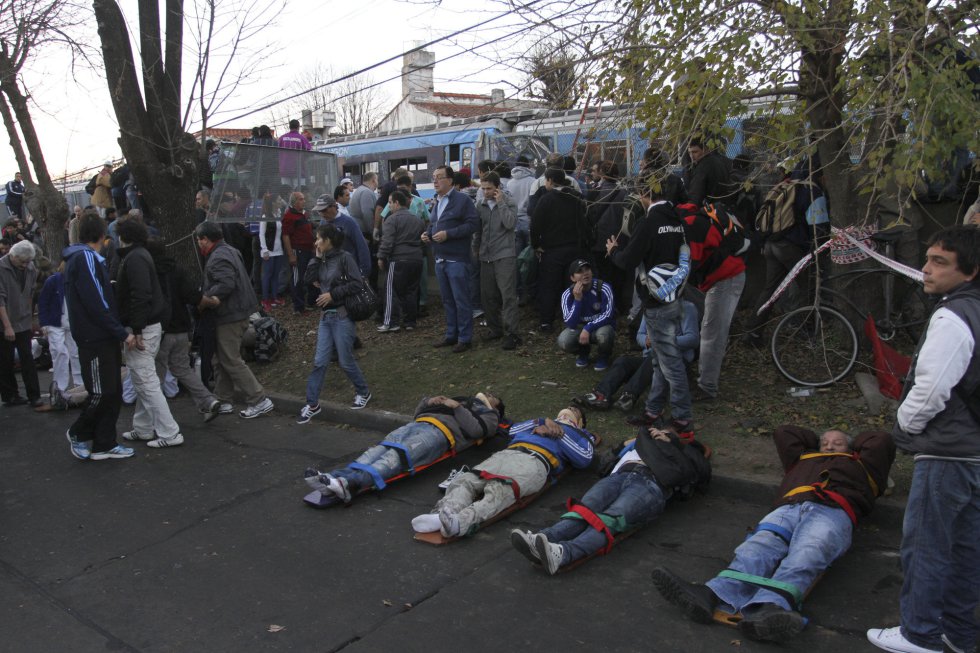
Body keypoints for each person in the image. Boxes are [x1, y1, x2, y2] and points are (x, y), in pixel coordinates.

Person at [653, 425, 895, 643]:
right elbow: (784, 432)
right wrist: (816, 446)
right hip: (789, 506)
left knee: (809, 551)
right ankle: (711, 593)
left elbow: (881, 439)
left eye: (837, 442)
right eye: (824, 442)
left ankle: (771, 608)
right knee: (758, 546)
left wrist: (849, 449)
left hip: (833, 509)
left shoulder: (863, 466)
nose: (829, 445)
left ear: (853, 448)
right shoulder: (803, 459)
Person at [867, 225, 980, 653]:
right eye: (928, 258)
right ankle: (958, 632)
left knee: (927, 546)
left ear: (970, 271)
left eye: (940, 262)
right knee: (967, 549)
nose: (926, 269)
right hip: (974, 452)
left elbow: (930, 389)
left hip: (948, 452)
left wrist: (906, 424)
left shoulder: (953, 316)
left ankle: (920, 633)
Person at [511, 424, 711, 574]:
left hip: (649, 484)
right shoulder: (635, 446)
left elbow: (701, 473)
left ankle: (564, 554)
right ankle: (544, 539)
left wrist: (673, 443)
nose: (657, 434)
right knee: (583, 510)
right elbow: (604, 464)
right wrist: (624, 445)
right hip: (618, 476)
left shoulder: (682, 453)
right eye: (658, 431)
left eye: (666, 433)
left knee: (611, 519)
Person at [412, 405, 597, 538]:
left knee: (499, 491)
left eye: (574, 411)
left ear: (580, 423)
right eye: (567, 408)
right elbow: (513, 430)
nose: (568, 411)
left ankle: (459, 523)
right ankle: (443, 513)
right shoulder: (540, 422)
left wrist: (559, 433)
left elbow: (584, 459)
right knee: (467, 480)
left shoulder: (581, 436)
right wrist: (541, 422)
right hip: (506, 454)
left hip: (535, 461)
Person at [606, 176, 694, 439]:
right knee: (658, 360)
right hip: (674, 295)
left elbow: (628, 260)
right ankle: (653, 410)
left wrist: (613, 251)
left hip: (656, 302)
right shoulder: (677, 220)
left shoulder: (649, 221)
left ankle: (681, 418)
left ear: (645, 193)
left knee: (670, 363)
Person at [304, 392, 504, 503]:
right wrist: (428, 401)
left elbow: (478, 431)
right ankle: (336, 479)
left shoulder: (490, 415)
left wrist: (457, 408)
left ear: (496, 408)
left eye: (494, 396)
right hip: (418, 424)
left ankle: (350, 485)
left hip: (440, 434)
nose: (489, 393)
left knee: (395, 457)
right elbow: (417, 414)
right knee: (378, 450)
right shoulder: (462, 398)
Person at [63, 212, 140, 460]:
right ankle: (79, 431)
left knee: (113, 390)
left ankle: (104, 443)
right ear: (102, 235)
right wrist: (121, 332)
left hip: (100, 336)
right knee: (101, 391)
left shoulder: (85, 258)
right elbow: (96, 301)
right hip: (94, 338)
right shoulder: (85, 258)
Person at [113, 219, 183, 448]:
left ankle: (170, 432)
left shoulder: (134, 259)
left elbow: (140, 294)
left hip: (144, 327)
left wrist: (136, 328)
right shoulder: (141, 255)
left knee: (145, 380)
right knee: (143, 378)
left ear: (123, 236)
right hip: (150, 325)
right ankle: (143, 428)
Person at [194, 221, 274, 419]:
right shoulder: (229, 250)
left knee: (230, 359)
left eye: (199, 240)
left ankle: (259, 399)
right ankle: (223, 399)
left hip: (230, 314)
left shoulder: (218, 257)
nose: (198, 244)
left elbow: (226, 283)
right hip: (239, 311)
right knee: (221, 358)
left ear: (205, 239)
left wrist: (205, 299)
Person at [297, 222, 372, 424]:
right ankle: (312, 404)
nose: (316, 242)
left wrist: (332, 294)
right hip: (325, 318)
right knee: (319, 362)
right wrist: (316, 257)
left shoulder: (345, 258)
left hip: (342, 316)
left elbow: (357, 283)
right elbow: (307, 280)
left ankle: (363, 391)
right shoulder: (320, 260)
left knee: (345, 360)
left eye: (319, 239)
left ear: (328, 240)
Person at [145, 238, 221, 422]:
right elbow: (194, 297)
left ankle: (155, 420)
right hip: (181, 328)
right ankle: (207, 400)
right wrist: (212, 302)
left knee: (156, 376)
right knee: (183, 370)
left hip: (159, 331)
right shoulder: (177, 269)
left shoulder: (148, 273)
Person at [573, 301, 699, 412]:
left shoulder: (687, 307)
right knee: (623, 361)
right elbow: (640, 335)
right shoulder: (650, 308)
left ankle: (629, 396)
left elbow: (693, 339)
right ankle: (600, 395)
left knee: (656, 357)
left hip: (676, 360)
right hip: (649, 359)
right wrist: (646, 341)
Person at [422, 165, 479, 353]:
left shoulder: (462, 200)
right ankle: (451, 334)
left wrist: (449, 234)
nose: (435, 181)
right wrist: (427, 234)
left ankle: (465, 338)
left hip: (457, 259)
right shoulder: (437, 202)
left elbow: (473, 224)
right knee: (447, 300)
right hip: (440, 259)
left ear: (450, 180)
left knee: (461, 300)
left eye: (439, 177)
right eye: (433, 177)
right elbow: (434, 224)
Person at [530, 168, 587, 332]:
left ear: (549, 180)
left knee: (548, 286)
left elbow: (535, 224)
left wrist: (535, 244)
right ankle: (571, 318)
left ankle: (546, 321)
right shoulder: (576, 198)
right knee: (571, 285)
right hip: (574, 248)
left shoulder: (546, 200)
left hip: (551, 250)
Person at [475, 171, 522, 350]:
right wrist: (476, 248)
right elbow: (478, 229)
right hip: (485, 255)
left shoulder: (509, 202)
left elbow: (510, 224)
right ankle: (495, 328)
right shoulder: (480, 205)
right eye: (483, 188)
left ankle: (512, 333)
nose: (486, 192)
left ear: (498, 188)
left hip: (504, 254)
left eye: (489, 189)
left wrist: (500, 202)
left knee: (507, 296)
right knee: (488, 296)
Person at [0, 240, 42, 408]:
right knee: (5, 360)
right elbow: (0, 299)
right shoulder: (1, 268)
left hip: (22, 320)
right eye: (22, 261)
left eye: (28, 261)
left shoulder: (30, 267)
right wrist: (7, 326)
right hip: (5, 321)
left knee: (28, 358)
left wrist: (30, 317)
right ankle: (10, 395)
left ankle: (34, 396)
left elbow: (30, 293)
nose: (25, 265)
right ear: (13, 256)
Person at [37, 262, 85, 410]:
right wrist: (44, 323)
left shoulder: (77, 281)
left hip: (71, 322)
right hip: (55, 322)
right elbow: (43, 302)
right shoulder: (53, 280)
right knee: (60, 352)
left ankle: (79, 385)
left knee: (76, 353)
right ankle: (60, 388)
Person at [376, 190, 424, 332]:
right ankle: (410, 321)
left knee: (392, 291)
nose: (389, 206)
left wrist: (381, 256)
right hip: (416, 259)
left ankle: (391, 322)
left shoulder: (392, 219)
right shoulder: (417, 220)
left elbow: (387, 241)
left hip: (398, 259)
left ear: (397, 203)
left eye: (390, 202)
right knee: (411, 291)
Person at [558, 259, 616, 370]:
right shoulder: (567, 294)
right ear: (572, 278)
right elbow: (570, 323)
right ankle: (583, 352)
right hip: (580, 329)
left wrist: (588, 328)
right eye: (580, 271)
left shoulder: (603, 287)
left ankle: (603, 356)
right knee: (564, 340)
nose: (585, 273)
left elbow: (608, 315)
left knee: (605, 333)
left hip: (600, 327)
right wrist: (577, 300)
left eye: (587, 269)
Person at [315, 192, 371, 277]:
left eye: (324, 210)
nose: (322, 214)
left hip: (348, 270)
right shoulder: (323, 222)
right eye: (319, 211)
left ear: (334, 206)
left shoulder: (349, 222)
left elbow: (362, 247)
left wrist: (364, 273)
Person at [281, 191, 315, 313]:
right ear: (294, 202)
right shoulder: (289, 216)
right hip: (297, 251)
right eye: (301, 199)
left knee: (308, 276)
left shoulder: (303, 214)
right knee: (297, 279)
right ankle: (298, 307)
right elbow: (285, 236)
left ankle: (308, 302)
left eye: (303, 199)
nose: (303, 201)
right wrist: (291, 255)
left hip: (307, 250)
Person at [684, 137, 732, 205]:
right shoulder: (722, 161)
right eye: (689, 153)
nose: (691, 156)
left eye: (695, 152)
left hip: (709, 209)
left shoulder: (702, 167)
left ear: (705, 150)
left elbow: (695, 196)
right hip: (723, 206)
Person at [277, 119, 311, 188]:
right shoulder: (302, 138)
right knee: (299, 191)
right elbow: (309, 151)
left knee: (286, 192)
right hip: (298, 170)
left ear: (289, 127)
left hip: (284, 170)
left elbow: (276, 151)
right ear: (298, 127)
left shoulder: (282, 138)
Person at [350, 171, 379, 241]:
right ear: (373, 180)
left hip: (359, 229)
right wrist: (372, 232)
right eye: (377, 180)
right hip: (365, 232)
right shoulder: (366, 192)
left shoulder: (360, 190)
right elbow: (367, 213)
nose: (378, 183)